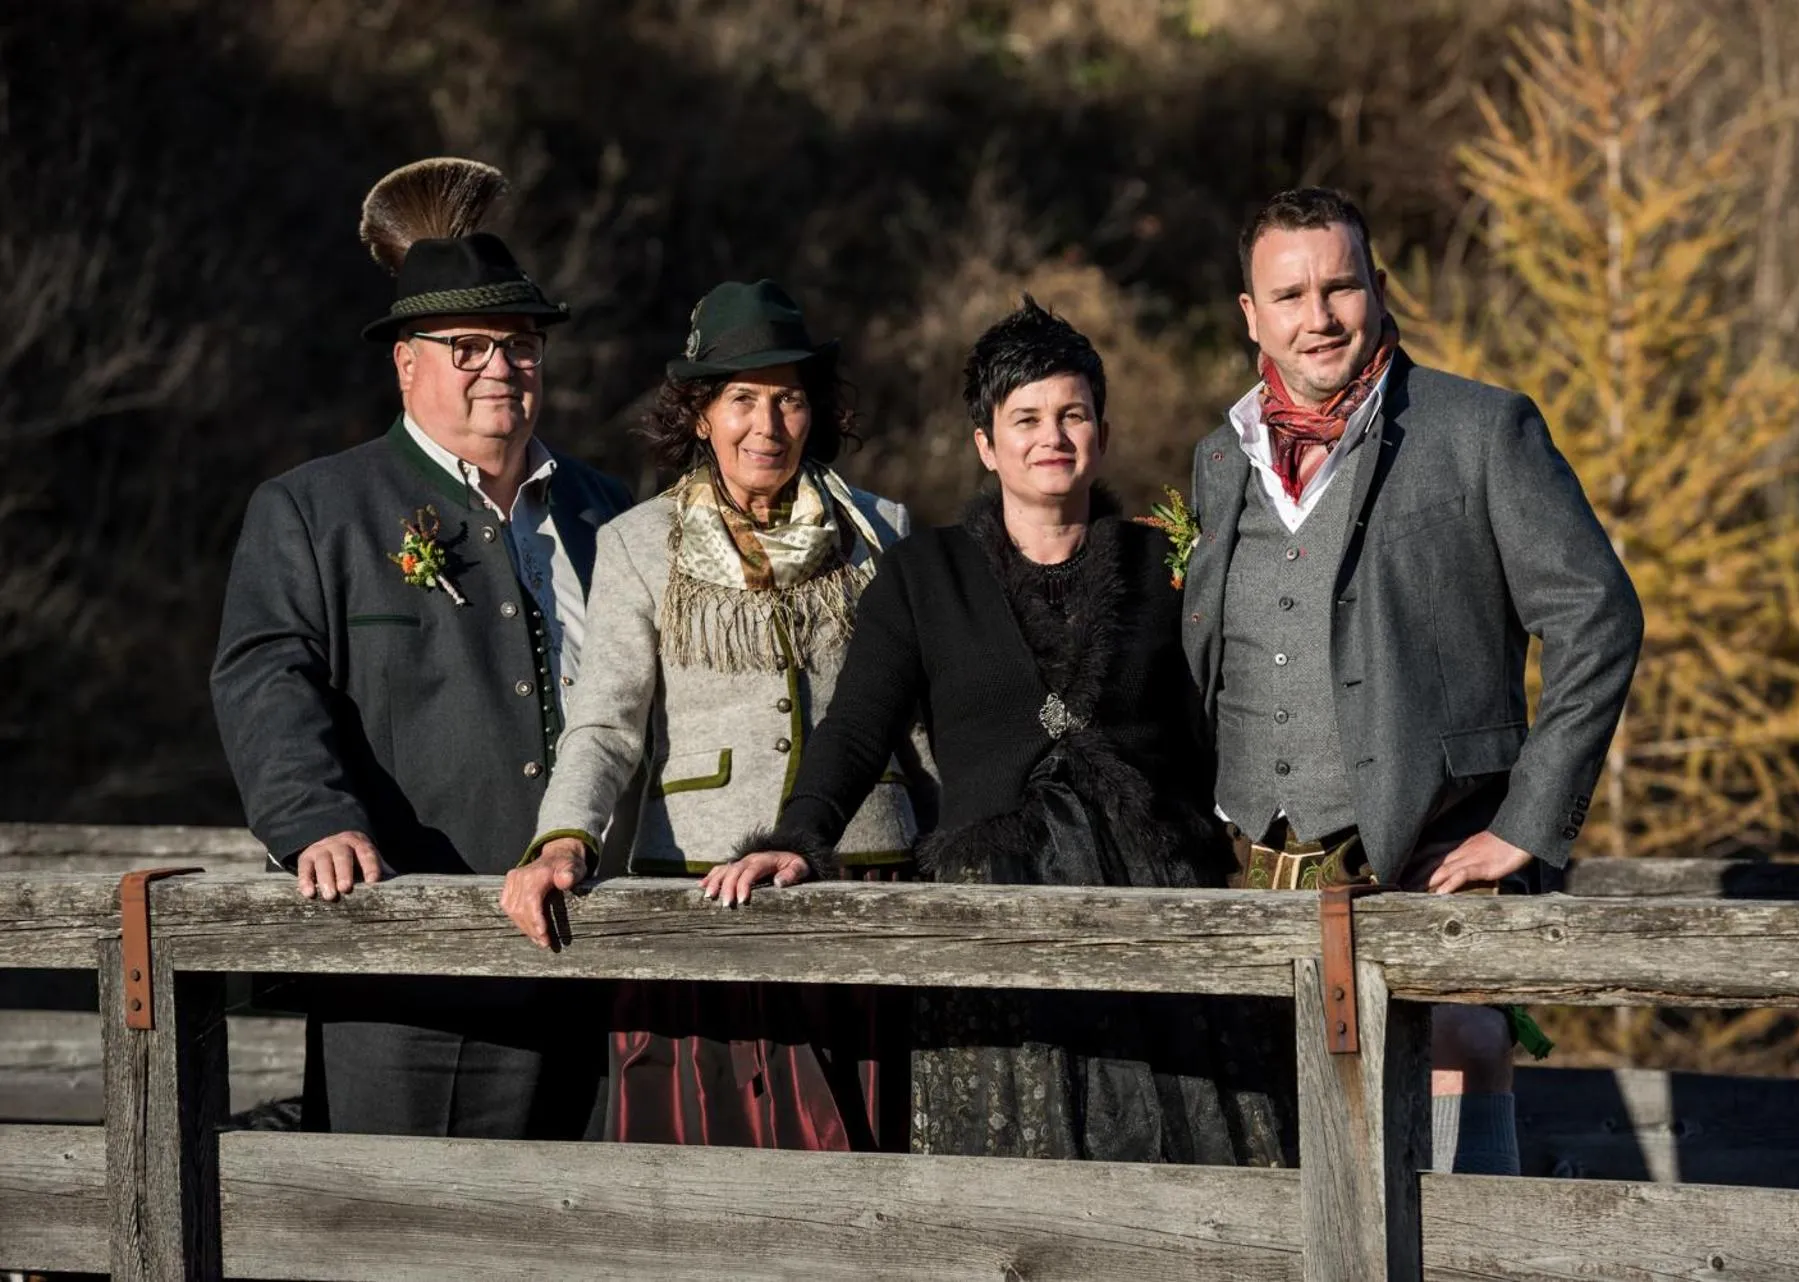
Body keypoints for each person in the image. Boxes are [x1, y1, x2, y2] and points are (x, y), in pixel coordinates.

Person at [713, 298, 1289, 1165]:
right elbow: (857, 727)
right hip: (992, 913)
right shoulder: (922, 574)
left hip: (1159, 913)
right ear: (986, 443)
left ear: (1100, 430)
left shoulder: (1167, 565)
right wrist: (797, 838)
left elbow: (1228, 719)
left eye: (1071, 413)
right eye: (1024, 418)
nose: (1049, 435)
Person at [1183, 187, 1643, 1173]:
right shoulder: (1218, 460)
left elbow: (1594, 615)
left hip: (1425, 850)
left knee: (1459, 1083)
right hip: (1257, 877)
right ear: (1249, 315)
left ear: (1378, 291)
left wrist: (1526, 822)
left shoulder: (1480, 430)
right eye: (1290, 293)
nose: (1318, 316)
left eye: (1340, 285)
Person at [209, 158, 633, 1138]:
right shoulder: (318, 510)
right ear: (407, 362)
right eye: (469, 346)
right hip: (411, 959)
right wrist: (312, 819)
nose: (502, 367)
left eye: (521, 344)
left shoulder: (607, 511)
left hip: (600, 949)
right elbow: (267, 673)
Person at [500, 279, 927, 1150]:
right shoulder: (636, 542)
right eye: (741, 400)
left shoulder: (882, 530)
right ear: (698, 414)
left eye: (788, 400)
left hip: (860, 872)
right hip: (699, 890)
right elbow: (606, 721)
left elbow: (923, 718)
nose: (765, 426)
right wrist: (562, 840)